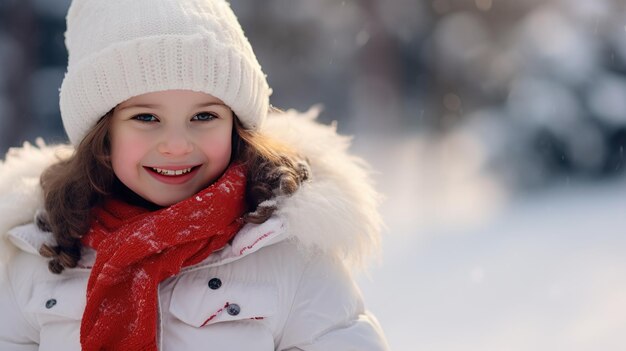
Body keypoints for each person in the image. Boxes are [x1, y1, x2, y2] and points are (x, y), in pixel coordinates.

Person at [0, 0, 389, 350]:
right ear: (104, 135)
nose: (177, 145)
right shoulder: (40, 257)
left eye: (204, 116)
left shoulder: (289, 255)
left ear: (236, 128)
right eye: (146, 118)